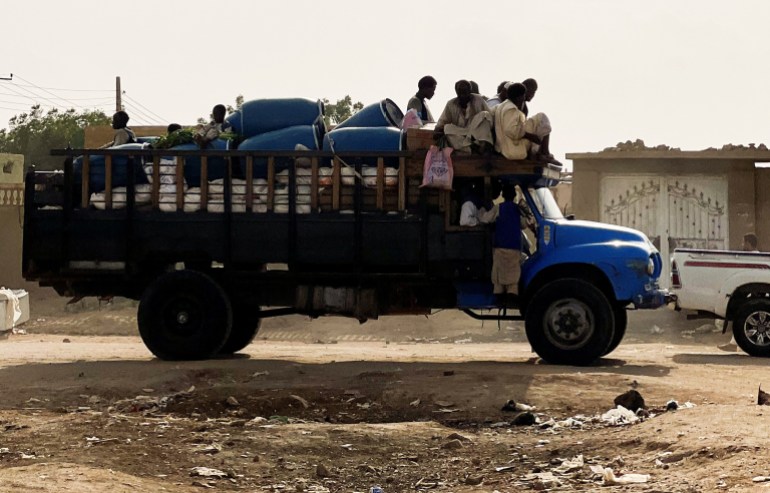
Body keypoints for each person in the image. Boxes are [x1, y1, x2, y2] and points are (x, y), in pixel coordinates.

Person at [479, 183, 523, 301]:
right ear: (514, 195)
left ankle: (498, 296)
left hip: (500, 246)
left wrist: (481, 210)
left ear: (503, 195)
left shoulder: (498, 208)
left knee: (499, 274)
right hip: (515, 247)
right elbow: (524, 225)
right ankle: (512, 296)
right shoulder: (518, 209)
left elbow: (485, 219)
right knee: (513, 274)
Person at [493, 82, 556, 163]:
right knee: (541, 118)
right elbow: (511, 130)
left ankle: (541, 153)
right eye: (523, 96)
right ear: (519, 97)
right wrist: (530, 136)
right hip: (512, 149)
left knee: (537, 122)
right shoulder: (510, 109)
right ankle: (544, 153)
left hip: (507, 146)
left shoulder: (502, 106)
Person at [719, 232, 761, 352]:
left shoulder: (751, 257)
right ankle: (734, 343)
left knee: (743, 318)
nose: (742, 245)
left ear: (748, 244)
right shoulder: (758, 256)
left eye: (743, 242)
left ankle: (734, 344)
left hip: (753, 295)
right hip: (754, 294)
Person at [433, 79, 494, 154]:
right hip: (461, 133)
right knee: (447, 128)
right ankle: (471, 148)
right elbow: (442, 121)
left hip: (477, 132)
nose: (462, 94)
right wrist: (438, 129)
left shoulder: (478, 99)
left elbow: (490, 116)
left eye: (464, 91)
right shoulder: (451, 103)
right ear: (456, 92)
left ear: (469, 90)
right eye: (460, 91)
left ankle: (483, 145)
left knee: (485, 114)